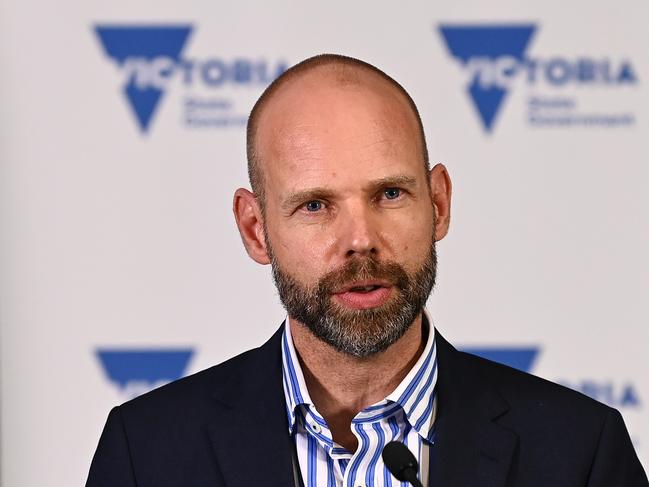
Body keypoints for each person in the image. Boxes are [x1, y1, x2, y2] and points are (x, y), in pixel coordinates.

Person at [86, 54, 648, 487]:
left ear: (439, 205)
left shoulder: (580, 454)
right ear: (256, 230)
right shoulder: (147, 453)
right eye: (315, 205)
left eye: (390, 193)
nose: (361, 241)